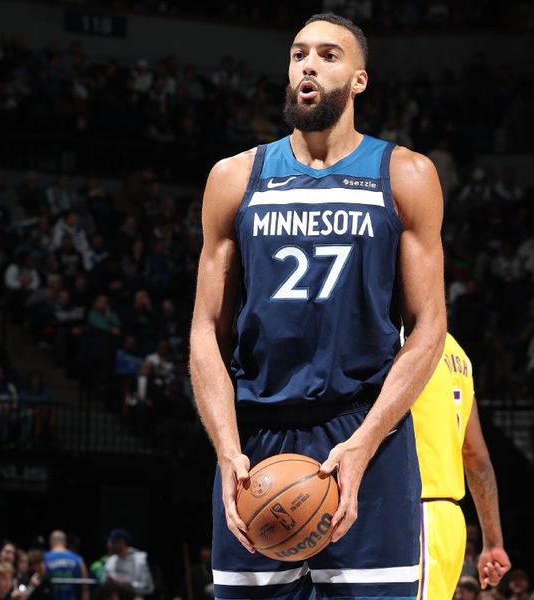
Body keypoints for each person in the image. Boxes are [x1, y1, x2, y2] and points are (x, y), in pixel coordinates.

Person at [189, 13, 446, 600]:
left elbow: (428, 328)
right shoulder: (235, 178)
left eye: (329, 55)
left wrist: (365, 442)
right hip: (257, 440)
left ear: (359, 80)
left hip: (364, 434)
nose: (308, 64)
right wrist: (227, 450)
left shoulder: (405, 174)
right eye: (299, 53)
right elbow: (206, 330)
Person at [410, 333, 511, 598]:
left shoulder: (406, 339)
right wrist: (493, 541)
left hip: (419, 512)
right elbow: (476, 456)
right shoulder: (458, 353)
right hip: (448, 519)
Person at [103, 530, 154, 600]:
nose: (109, 545)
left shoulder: (140, 560)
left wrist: (126, 584)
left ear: (121, 542)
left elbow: (148, 588)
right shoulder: (110, 561)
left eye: (112, 542)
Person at [43, 531, 87, 600]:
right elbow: (85, 589)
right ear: (65, 542)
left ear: (50, 542)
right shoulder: (78, 560)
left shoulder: (44, 559)